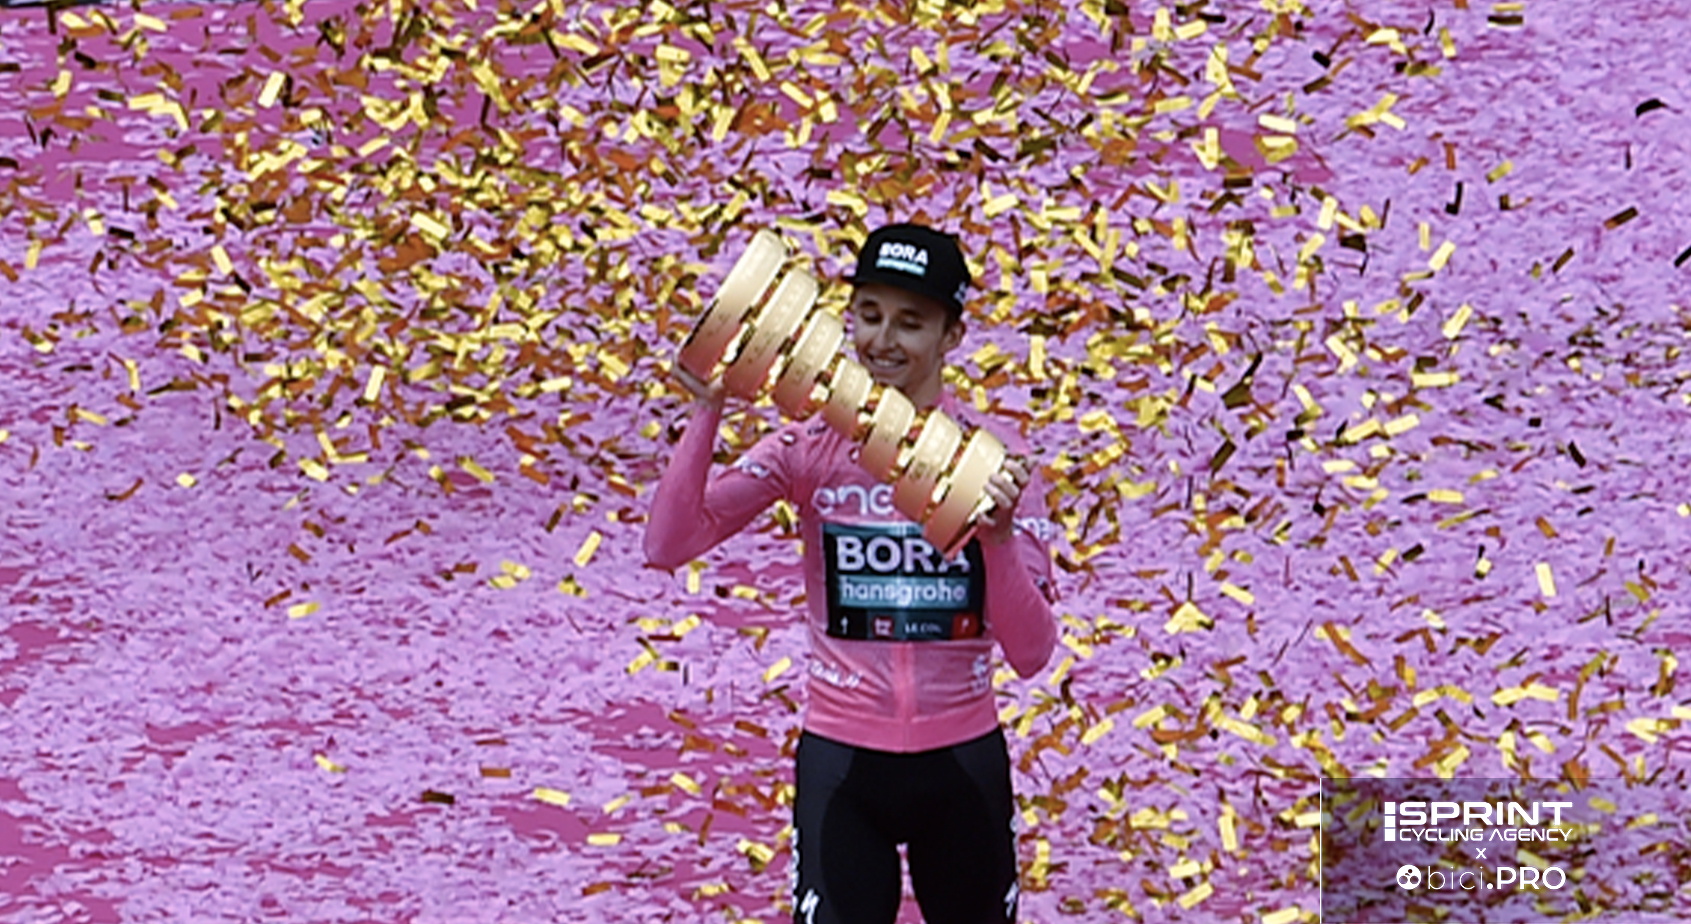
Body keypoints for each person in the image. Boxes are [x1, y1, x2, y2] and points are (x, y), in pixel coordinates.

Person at [643, 222, 1058, 924]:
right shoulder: (809, 449)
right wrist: (708, 409)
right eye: (868, 315)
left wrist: (996, 538)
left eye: (910, 323)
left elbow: (1031, 654)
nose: (882, 341)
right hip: (842, 766)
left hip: (961, 764)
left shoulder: (997, 464)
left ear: (952, 336)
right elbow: (668, 543)